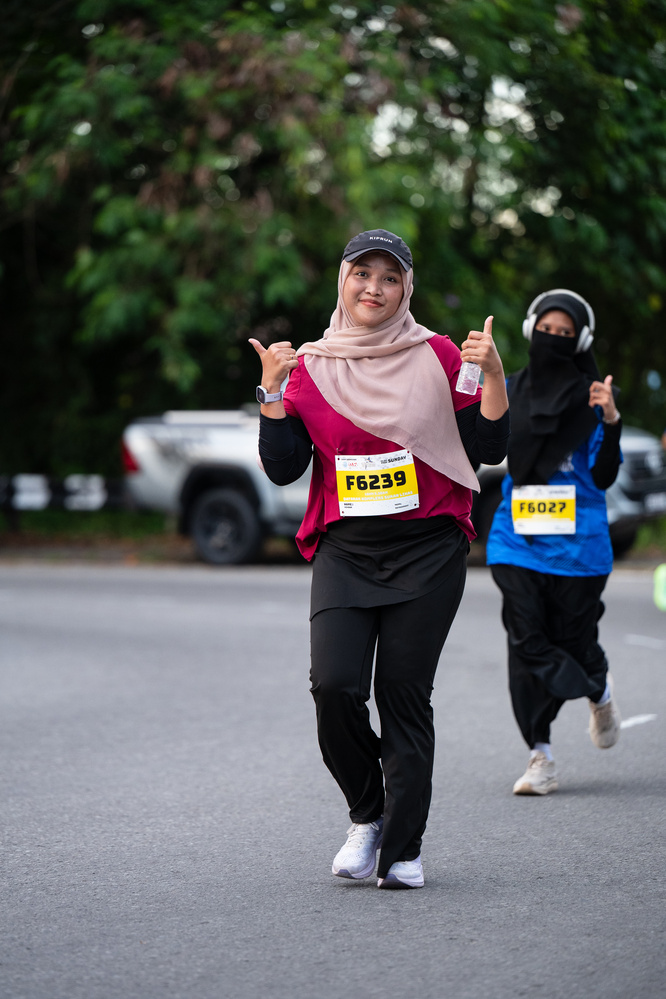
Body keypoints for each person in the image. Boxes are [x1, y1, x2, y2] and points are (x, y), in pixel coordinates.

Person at [249, 229, 509, 888]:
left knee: (402, 695)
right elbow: (283, 468)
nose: (374, 287)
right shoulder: (310, 367)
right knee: (334, 687)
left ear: (406, 290)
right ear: (343, 280)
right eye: (362, 273)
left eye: (389, 277)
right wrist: (271, 393)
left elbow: (486, 445)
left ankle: (403, 850)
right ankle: (368, 813)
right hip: (347, 550)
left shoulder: (439, 355)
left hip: (429, 547)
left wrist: (494, 375)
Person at [486, 288, 622, 796]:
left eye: (565, 333)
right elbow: (483, 442)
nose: (553, 338)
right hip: (515, 541)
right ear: (531, 330)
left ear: (580, 341)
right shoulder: (510, 389)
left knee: (574, 643)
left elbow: (604, 476)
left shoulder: (594, 399)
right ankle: (539, 755)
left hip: (579, 548)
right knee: (525, 643)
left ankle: (597, 686)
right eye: (546, 329)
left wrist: (611, 421)